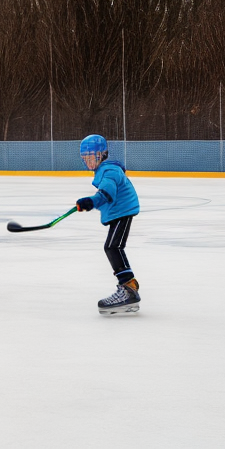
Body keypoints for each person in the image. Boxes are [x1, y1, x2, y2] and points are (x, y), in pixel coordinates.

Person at [76, 134, 141, 314]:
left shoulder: (109, 171)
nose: (88, 162)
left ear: (101, 155)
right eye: (85, 158)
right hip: (120, 211)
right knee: (113, 247)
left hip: (123, 211)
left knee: (113, 247)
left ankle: (128, 290)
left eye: (91, 157)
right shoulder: (104, 170)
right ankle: (129, 286)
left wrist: (91, 202)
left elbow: (107, 193)